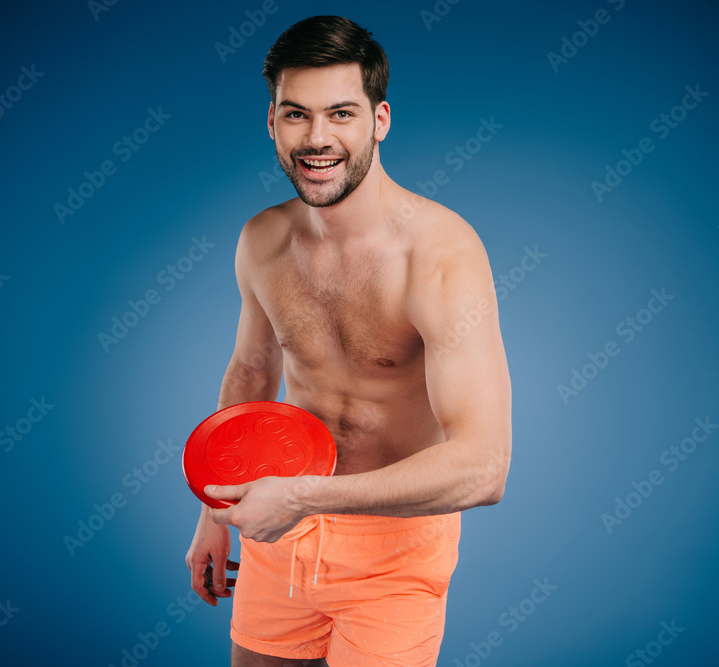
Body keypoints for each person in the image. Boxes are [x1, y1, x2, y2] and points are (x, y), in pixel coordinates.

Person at [185, 15, 511, 667]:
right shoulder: (263, 241)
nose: (317, 137)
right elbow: (250, 375)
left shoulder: (442, 254)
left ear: (379, 119)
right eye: (296, 115)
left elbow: (484, 465)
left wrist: (300, 495)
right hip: (277, 539)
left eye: (340, 113)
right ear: (272, 123)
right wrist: (213, 515)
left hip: (393, 557)